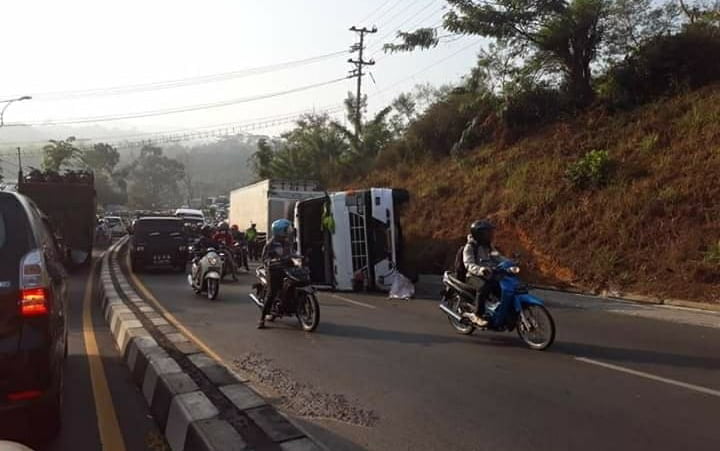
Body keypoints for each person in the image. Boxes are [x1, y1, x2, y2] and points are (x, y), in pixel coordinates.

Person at [462, 220, 502, 327]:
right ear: (478, 234)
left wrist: (509, 262)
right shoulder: (470, 247)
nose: (489, 235)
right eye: (486, 233)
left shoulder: (489, 247)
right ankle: (477, 315)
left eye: (490, 232)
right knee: (484, 287)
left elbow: (497, 257)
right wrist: (480, 270)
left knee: (502, 286)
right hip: (473, 276)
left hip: (489, 274)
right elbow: (468, 264)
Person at [258, 219, 294, 329]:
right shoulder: (271, 243)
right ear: (279, 231)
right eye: (286, 230)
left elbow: (291, 253)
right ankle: (262, 319)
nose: (289, 231)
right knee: (272, 293)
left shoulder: (287, 242)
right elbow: (264, 258)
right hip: (273, 270)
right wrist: (273, 261)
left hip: (285, 268)